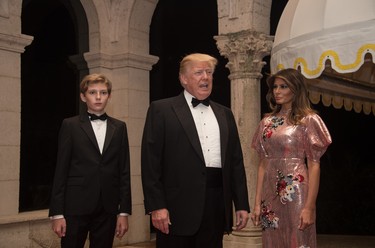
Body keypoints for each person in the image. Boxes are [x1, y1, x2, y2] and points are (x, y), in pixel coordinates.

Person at [141, 53, 250, 248]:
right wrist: (156, 206)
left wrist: (241, 204)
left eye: (209, 72)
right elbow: (151, 163)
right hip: (176, 208)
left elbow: (235, 162)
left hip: (216, 205)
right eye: (198, 72)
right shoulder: (161, 110)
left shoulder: (225, 113)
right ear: (183, 79)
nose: (205, 77)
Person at [250, 68, 332, 247]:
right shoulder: (266, 122)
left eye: (283, 86)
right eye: (275, 87)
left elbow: (314, 165)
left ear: (296, 89)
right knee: (272, 241)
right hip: (270, 194)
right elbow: (262, 164)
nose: (277, 91)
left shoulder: (309, 120)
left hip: (296, 192)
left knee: (298, 240)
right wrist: (257, 203)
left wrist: (310, 207)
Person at [49, 73, 132, 248]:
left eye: (103, 92)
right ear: (83, 96)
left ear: (109, 96)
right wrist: (57, 214)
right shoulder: (70, 125)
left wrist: (123, 212)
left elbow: (124, 171)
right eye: (93, 92)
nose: (98, 97)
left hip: (107, 207)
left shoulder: (120, 128)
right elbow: (61, 170)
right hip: (75, 205)